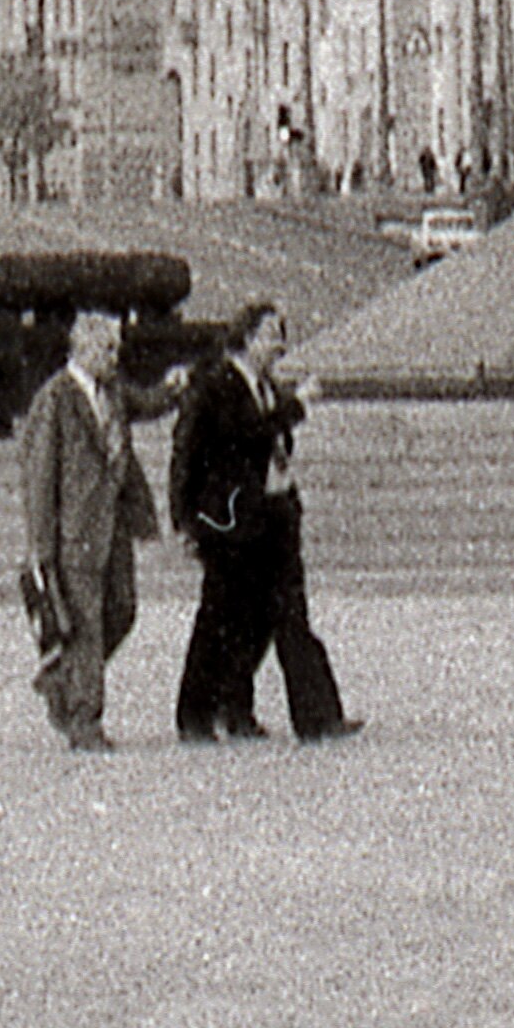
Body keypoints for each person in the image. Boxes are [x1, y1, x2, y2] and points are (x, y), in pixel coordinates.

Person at [168, 301, 354, 744]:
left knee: (286, 614)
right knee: (222, 616)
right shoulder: (217, 384)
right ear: (247, 339)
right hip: (230, 519)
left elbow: (267, 439)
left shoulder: (266, 387)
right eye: (271, 334)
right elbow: (231, 436)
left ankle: (315, 717)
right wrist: (184, 518)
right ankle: (198, 713)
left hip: (274, 514)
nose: (279, 344)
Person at [14, 306, 153, 751]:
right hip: (75, 533)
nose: (115, 357)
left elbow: (147, 403)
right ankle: (84, 720)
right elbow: (39, 477)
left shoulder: (111, 391)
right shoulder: (55, 398)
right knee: (85, 626)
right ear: (84, 349)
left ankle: (63, 677)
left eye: (116, 349)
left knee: (122, 610)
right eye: (108, 349)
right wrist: (41, 546)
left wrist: (176, 387)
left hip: (114, 525)